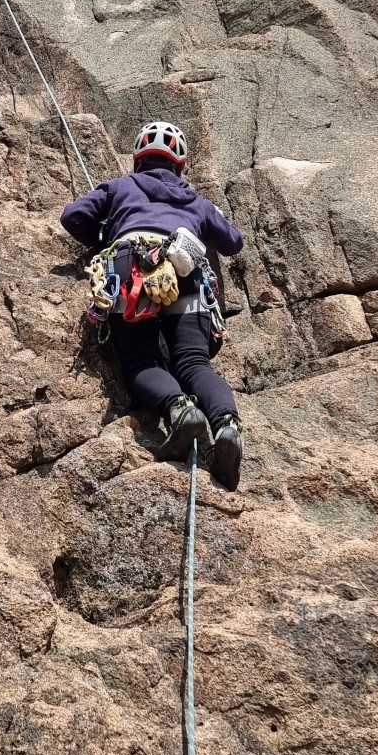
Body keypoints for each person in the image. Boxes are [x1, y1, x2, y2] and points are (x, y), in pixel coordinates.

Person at [61, 120, 245, 489]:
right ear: (181, 166)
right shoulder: (197, 200)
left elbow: (73, 216)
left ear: (137, 160)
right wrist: (207, 220)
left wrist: (104, 234)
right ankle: (227, 426)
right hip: (186, 268)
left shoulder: (121, 186)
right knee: (193, 362)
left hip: (133, 269)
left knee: (141, 360)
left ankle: (181, 412)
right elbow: (234, 242)